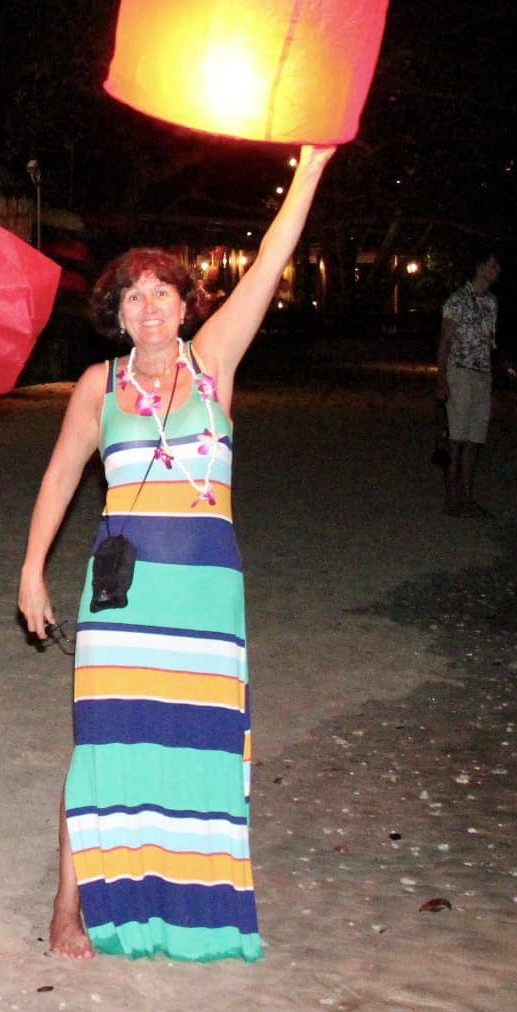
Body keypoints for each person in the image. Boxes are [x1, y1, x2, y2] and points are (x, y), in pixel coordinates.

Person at [18, 145, 334, 962]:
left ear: (186, 307)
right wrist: (30, 570)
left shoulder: (213, 364)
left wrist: (310, 167)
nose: (150, 308)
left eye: (163, 293)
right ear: (116, 314)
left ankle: (187, 905)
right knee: (105, 743)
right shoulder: (99, 385)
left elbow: (272, 258)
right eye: (134, 297)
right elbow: (58, 481)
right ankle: (69, 909)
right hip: (124, 603)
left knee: (194, 742)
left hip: (203, 599)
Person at [436, 250, 502, 516]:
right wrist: (442, 379)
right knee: (456, 439)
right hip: (460, 373)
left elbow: (490, 342)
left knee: (475, 440)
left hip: (482, 374)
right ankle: (452, 498)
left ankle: (467, 496)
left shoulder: (492, 302)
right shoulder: (458, 301)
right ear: (479, 266)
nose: (497, 270)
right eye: (493, 264)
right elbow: (445, 342)